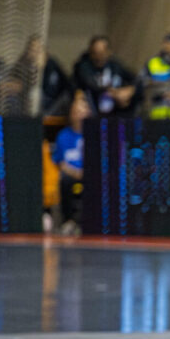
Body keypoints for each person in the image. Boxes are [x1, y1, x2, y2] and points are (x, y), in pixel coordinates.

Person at [53, 90, 92, 236]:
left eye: (83, 111)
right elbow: (60, 162)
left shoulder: (93, 135)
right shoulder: (64, 135)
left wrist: (85, 173)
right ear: (71, 114)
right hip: (70, 174)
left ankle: (86, 222)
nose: (80, 115)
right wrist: (76, 173)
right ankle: (68, 221)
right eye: (77, 111)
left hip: (89, 174)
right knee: (65, 181)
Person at [72, 35, 138, 116]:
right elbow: (92, 86)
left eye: (101, 53)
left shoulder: (115, 66)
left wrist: (130, 90)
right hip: (92, 112)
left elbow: (136, 80)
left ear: (109, 52)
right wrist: (115, 94)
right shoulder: (83, 67)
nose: (98, 57)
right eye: (95, 53)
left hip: (115, 112)